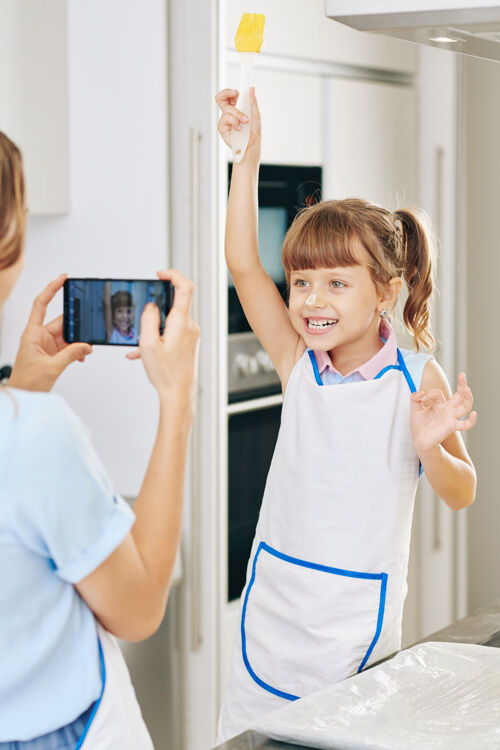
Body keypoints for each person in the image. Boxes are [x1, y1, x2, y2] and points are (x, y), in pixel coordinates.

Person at [214, 88, 477, 742]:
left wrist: (434, 445)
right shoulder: (298, 361)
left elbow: (462, 492)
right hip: (274, 621)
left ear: (384, 291)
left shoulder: (416, 378)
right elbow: (244, 265)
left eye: (337, 282)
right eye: (302, 282)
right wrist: (246, 158)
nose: (311, 300)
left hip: (354, 630)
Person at [0, 131, 199, 748]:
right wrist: (178, 401)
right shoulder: (34, 437)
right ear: (10, 242)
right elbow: (138, 609)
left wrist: (23, 390)